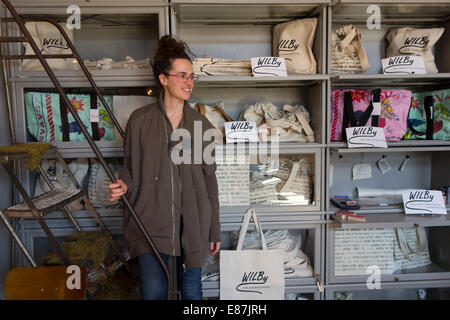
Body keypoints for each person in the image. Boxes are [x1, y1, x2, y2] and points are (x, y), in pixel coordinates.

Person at [108, 35, 221, 300]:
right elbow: (129, 170)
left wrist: (213, 229)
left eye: (191, 76)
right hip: (149, 222)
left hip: (192, 224)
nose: (188, 82)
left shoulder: (201, 126)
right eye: (181, 76)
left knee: (192, 292)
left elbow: (209, 181)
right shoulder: (139, 122)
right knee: (153, 292)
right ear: (163, 79)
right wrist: (122, 185)